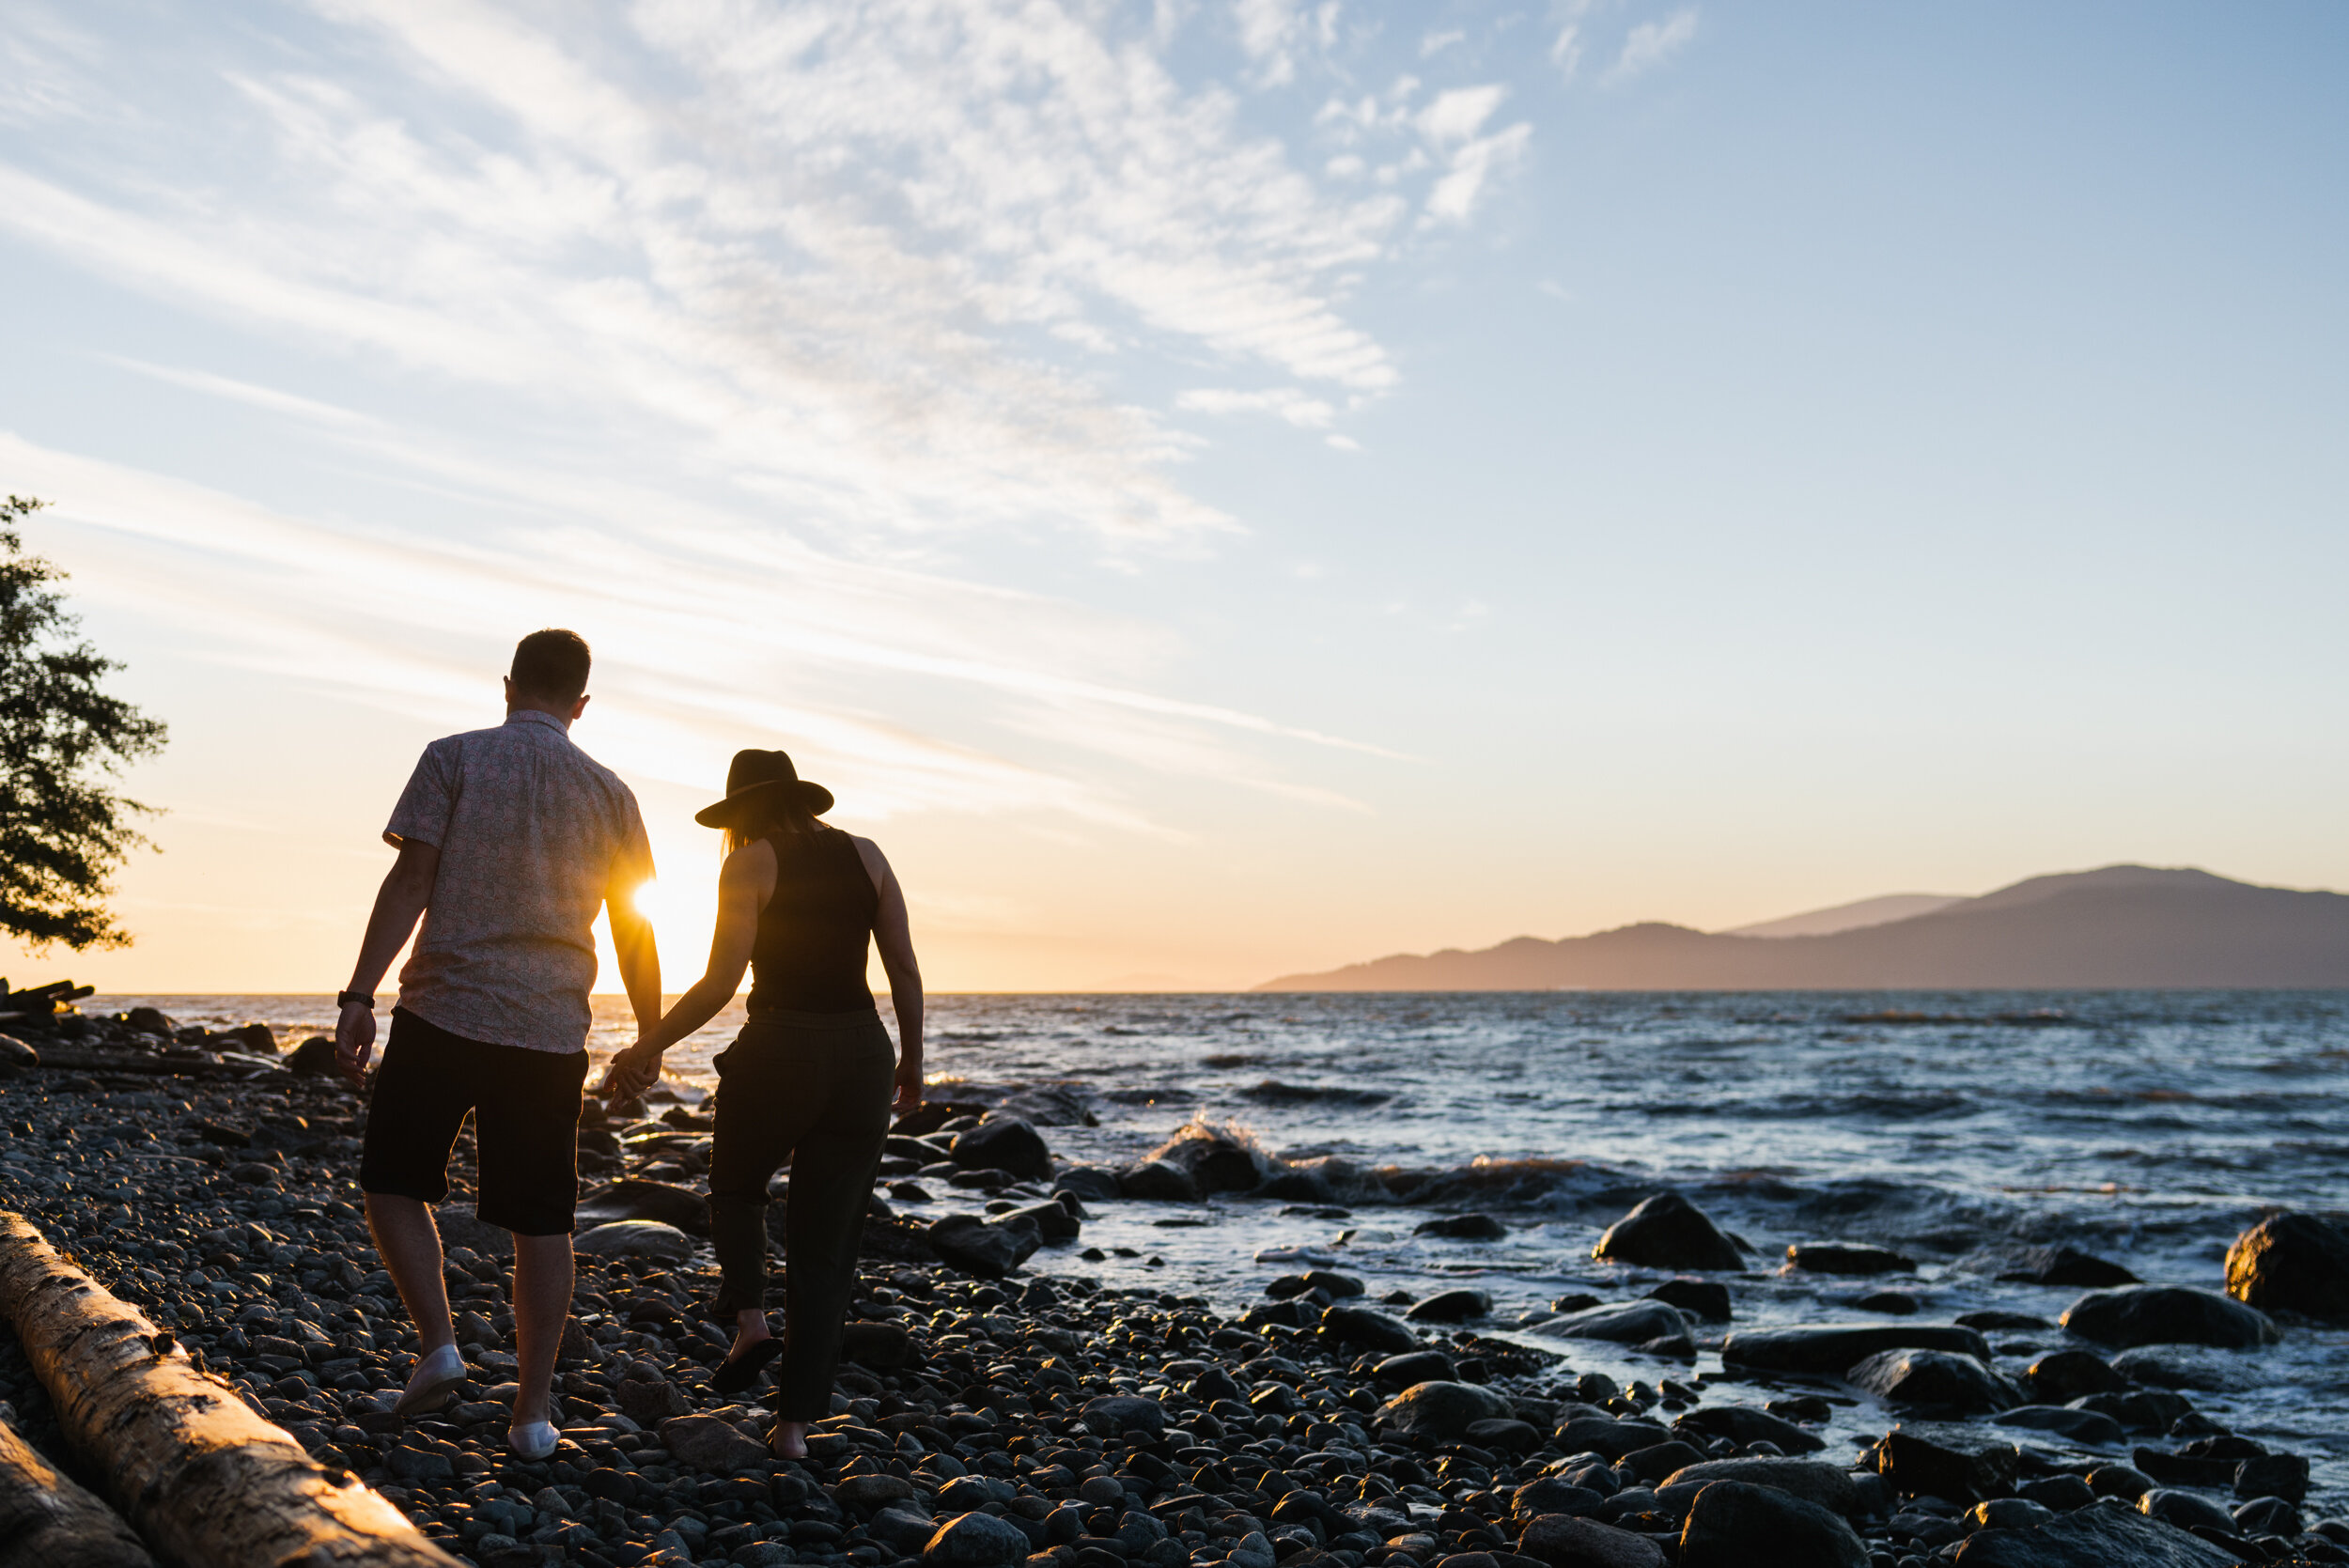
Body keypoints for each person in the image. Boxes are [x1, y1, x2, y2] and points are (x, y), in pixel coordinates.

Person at [335, 629, 661, 1460]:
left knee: (392, 1182)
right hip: (548, 1033)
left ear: (509, 684)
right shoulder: (613, 794)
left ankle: (440, 1344)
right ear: (581, 704)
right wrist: (650, 1039)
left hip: (442, 1010)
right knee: (541, 1222)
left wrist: (359, 993)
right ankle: (531, 1415)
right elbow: (635, 930)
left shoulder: (453, 757)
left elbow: (410, 881)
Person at [598, 748, 922, 1460]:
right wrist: (913, 1064)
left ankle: (749, 1320)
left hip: (781, 1047)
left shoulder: (748, 862)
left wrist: (642, 1045)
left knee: (737, 1186)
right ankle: (793, 1429)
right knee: (826, 1251)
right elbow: (903, 967)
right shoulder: (868, 854)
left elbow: (720, 982)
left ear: (741, 810)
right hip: (865, 1055)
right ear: (800, 796)